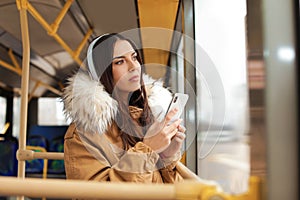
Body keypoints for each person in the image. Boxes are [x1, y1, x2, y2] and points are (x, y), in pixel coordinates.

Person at [62, 33, 186, 183]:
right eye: (120, 62)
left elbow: (165, 189)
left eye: (134, 58)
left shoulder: (144, 117)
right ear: (102, 72)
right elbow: (95, 195)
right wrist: (147, 150)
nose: (133, 66)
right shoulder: (83, 134)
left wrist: (166, 157)